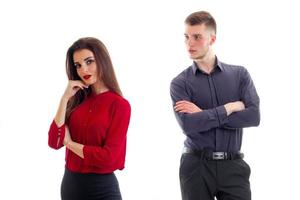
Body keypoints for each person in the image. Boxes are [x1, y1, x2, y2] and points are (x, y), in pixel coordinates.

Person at [170, 11, 260, 200]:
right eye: (186, 37)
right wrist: (229, 107)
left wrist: (204, 115)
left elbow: (253, 117)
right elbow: (189, 125)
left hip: (233, 166)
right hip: (196, 166)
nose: (189, 43)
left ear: (212, 39)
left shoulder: (240, 75)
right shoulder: (180, 83)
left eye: (196, 37)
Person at [48, 37, 131, 200]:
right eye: (78, 65)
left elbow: (109, 158)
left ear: (102, 61)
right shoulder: (76, 100)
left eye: (89, 61)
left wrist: (70, 144)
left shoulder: (120, 105)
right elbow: (54, 142)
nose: (83, 70)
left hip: (102, 189)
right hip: (70, 185)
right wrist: (64, 98)